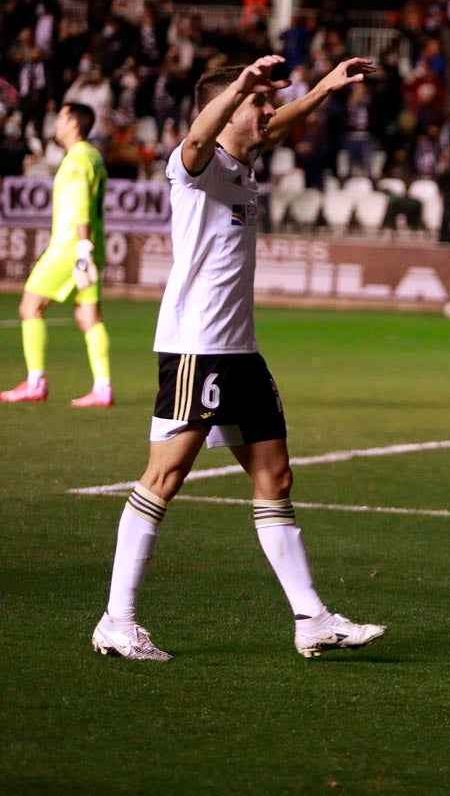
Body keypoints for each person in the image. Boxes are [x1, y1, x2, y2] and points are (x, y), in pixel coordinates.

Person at [90, 55, 386, 662]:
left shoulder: (243, 163)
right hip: (198, 349)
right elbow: (199, 134)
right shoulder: (194, 167)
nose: (269, 113)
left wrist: (327, 86)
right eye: (257, 103)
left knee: (274, 478)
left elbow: (281, 122)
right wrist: (239, 88)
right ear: (227, 108)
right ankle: (116, 620)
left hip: (240, 352)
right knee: (163, 479)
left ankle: (311, 618)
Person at [2, 103, 112, 407]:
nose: (57, 123)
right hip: (91, 245)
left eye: (62, 118)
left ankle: (35, 381)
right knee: (88, 314)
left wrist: (81, 247)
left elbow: (79, 204)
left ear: (74, 124)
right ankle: (102, 386)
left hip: (70, 247)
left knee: (29, 306)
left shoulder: (77, 158)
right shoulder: (93, 156)